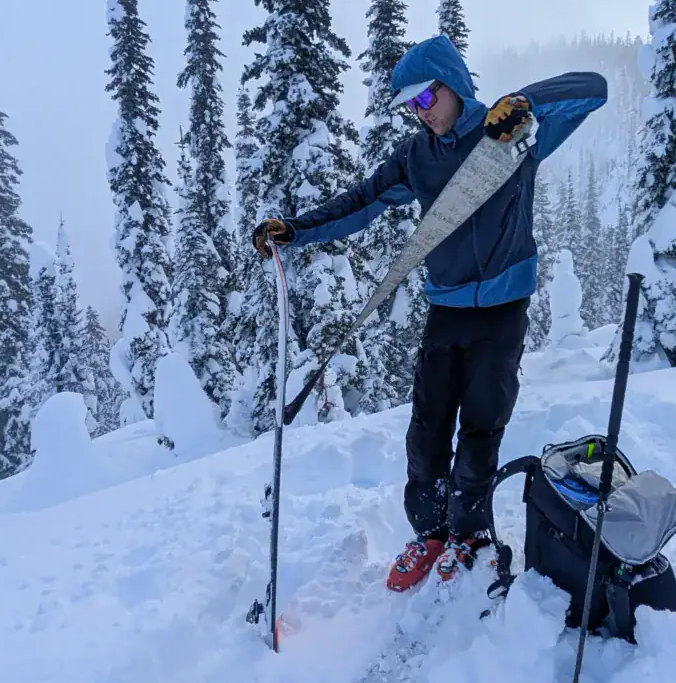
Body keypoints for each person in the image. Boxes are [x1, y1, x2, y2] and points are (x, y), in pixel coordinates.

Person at [252, 34, 606, 591]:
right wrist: (296, 231)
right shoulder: (418, 158)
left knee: (482, 425)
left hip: (502, 309)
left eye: (424, 100)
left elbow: (593, 91)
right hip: (445, 308)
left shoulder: (511, 133)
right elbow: (362, 202)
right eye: (408, 107)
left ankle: (469, 534)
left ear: (452, 85)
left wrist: (526, 102)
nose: (420, 116)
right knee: (427, 428)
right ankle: (432, 532)